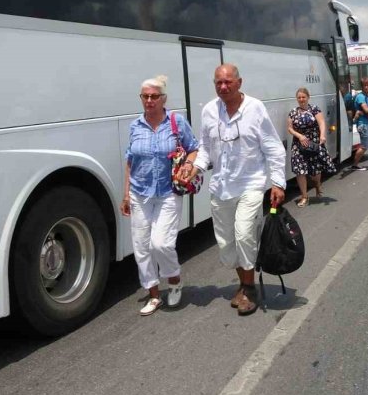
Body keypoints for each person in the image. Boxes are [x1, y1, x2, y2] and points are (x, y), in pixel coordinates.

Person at [184, 64, 286, 316]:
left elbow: (273, 147)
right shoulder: (209, 111)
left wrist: (278, 182)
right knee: (227, 244)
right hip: (221, 187)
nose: (223, 87)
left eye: (228, 82)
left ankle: (250, 289)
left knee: (243, 234)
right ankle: (244, 283)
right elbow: (205, 147)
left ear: (239, 83)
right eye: (218, 82)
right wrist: (194, 167)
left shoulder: (255, 109)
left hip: (251, 184)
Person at [121, 75, 199, 316]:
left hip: (168, 191)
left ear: (163, 98)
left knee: (161, 243)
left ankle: (174, 281)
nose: (149, 100)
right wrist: (126, 194)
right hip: (139, 192)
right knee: (142, 246)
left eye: (154, 96)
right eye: (145, 96)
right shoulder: (135, 126)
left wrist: (188, 166)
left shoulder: (176, 122)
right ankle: (153, 294)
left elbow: (194, 148)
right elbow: (130, 160)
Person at [287, 88, 337, 207]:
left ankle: (317, 185)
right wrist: (299, 136)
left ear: (308, 97)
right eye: (299, 97)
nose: (301, 99)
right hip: (299, 144)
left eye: (303, 97)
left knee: (315, 170)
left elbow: (321, 123)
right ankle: (304, 196)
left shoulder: (314, 109)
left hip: (313, 142)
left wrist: (323, 136)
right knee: (300, 170)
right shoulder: (293, 112)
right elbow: (290, 128)